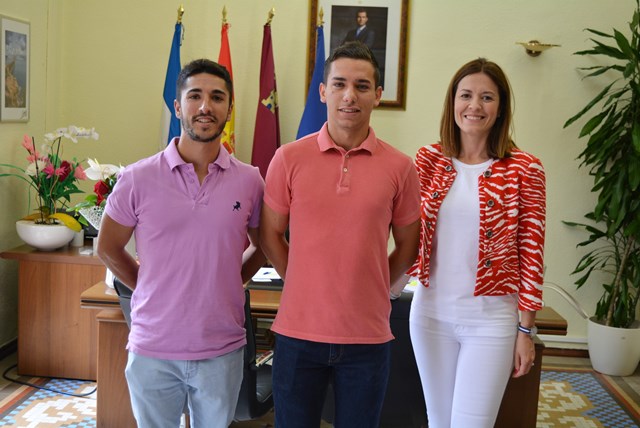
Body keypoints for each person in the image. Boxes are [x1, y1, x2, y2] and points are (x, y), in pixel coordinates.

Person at [96, 58, 265, 428]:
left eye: (217, 97)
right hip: (153, 347)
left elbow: (264, 243)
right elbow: (107, 246)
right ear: (178, 107)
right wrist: (147, 285)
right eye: (195, 96)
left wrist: (233, 279)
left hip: (221, 347)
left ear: (228, 109)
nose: (206, 106)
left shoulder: (250, 180)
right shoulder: (137, 178)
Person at [260, 41, 420, 428]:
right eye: (340, 84)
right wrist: (301, 280)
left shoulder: (400, 167)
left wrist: (374, 288)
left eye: (362, 86)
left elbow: (409, 246)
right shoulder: (288, 158)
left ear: (378, 95)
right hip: (298, 335)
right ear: (323, 91)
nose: (350, 96)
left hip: (368, 338)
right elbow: (269, 236)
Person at [405, 58, 546, 427]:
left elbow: (532, 253)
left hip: (491, 321)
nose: (475, 106)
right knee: (438, 421)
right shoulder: (428, 160)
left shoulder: (524, 168)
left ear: (500, 108)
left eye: (487, 97)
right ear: (453, 102)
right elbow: (406, 231)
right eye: (466, 95)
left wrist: (526, 331)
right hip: (430, 314)